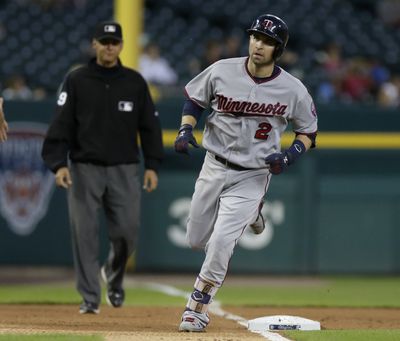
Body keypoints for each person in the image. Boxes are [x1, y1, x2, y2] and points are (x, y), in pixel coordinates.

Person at [174, 14, 317, 332]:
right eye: (255, 37)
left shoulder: (292, 89)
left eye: (267, 41)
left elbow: (308, 133)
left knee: (222, 241)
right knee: (196, 239)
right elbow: (195, 101)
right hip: (214, 164)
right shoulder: (223, 69)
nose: (258, 44)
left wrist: (290, 156)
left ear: (278, 49)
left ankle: (197, 308)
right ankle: (255, 214)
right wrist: (185, 131)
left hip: (253, 174)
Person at [41, 21, 164, 314]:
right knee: (83, 234)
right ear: (94, 44)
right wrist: (59, 164)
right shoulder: (77, 80)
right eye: (104, 41)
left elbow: (150, 127)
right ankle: (90, 297)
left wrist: (153, 165)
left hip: (124, 168)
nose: (109, 46)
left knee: (127, 232)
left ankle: (113, 273)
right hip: (84, 168)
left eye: (114, 42)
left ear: (121, 46)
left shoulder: (134, 82)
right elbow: (61, 124)